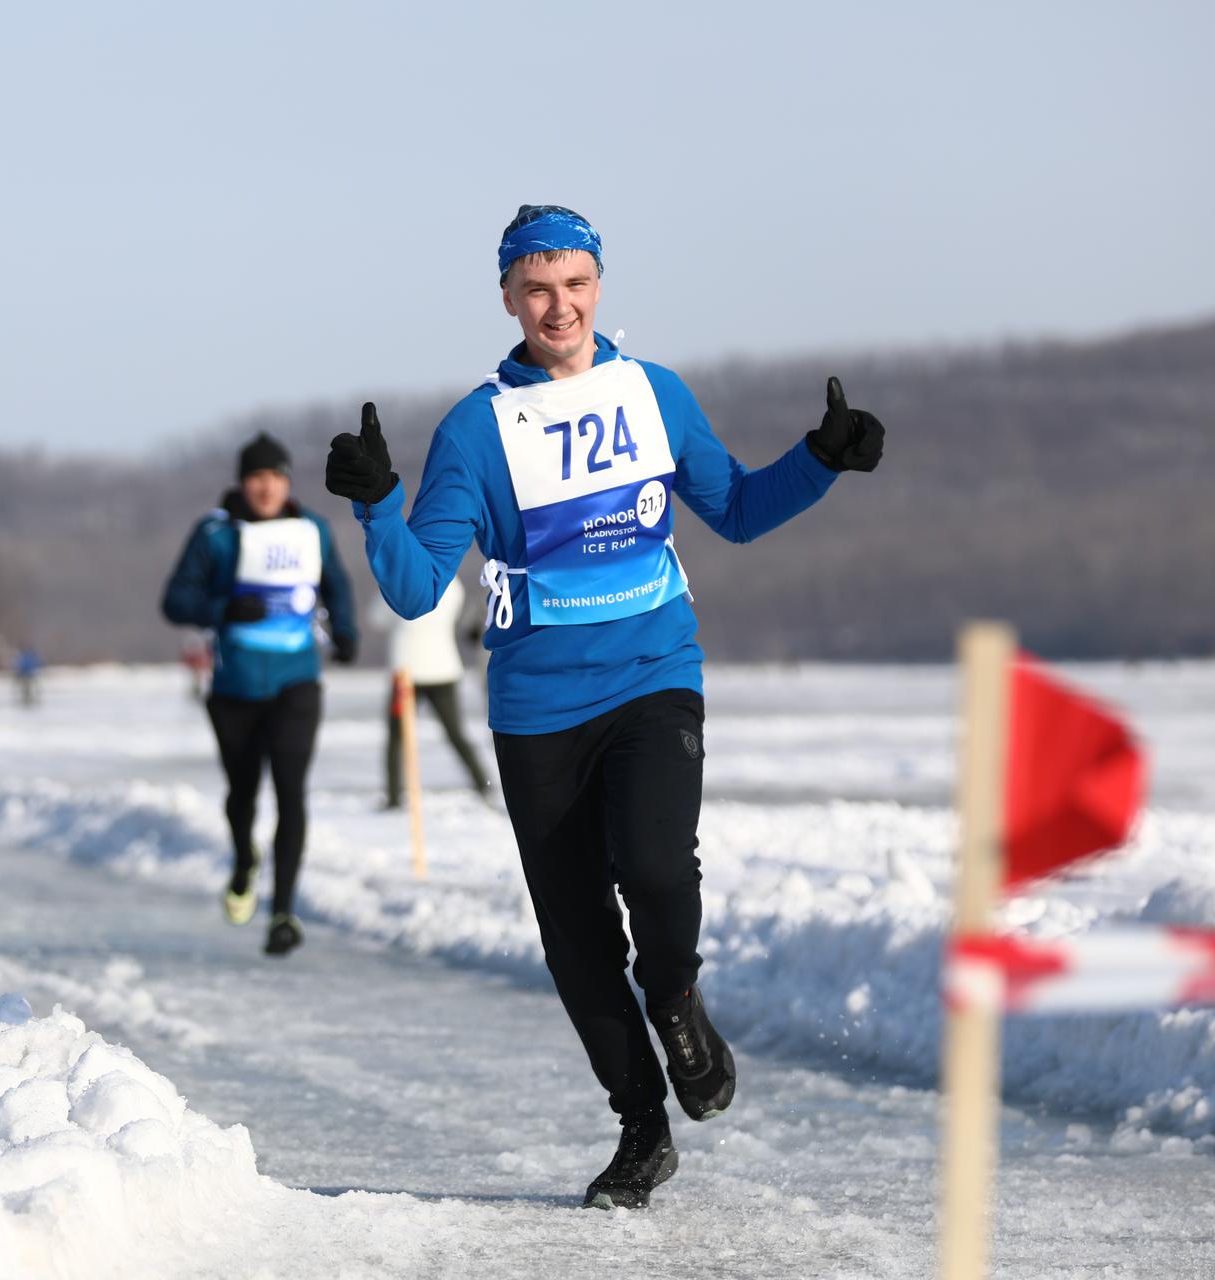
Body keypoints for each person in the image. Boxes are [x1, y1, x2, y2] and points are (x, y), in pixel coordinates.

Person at [324, 205, 885, 1209]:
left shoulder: (654, 394)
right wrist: (375, 503)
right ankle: (641, 1126)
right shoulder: (476, 429)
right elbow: (414, 589)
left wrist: (821, 458)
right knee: (578, 935)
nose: (560, 307)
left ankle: (675, 997)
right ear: (508, 296)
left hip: (653, 672)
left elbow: (736, 510)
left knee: (659, 868)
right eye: (538, 288)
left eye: (576, 284)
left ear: (598, 286)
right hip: (537, 705)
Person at [161, 432, 359, 957]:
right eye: (256, 477)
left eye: (275, 476)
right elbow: (175, 600)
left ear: (287, 481)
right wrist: (223, 608)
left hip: (297, 682)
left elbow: (337, 584)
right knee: (243, 792)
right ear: (242, 482)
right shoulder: (215, 533)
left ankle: (283, 912)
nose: (266, 487)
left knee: (291, 792)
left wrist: (346, 632)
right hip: (235, 686)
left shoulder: (311, 529)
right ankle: (245, 859)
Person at [376, 577, 493, 808]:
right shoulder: (452, 583)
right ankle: (481, 781)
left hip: (406, 670)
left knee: (397, 736)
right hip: (443, 666)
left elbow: (378, 616)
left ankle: (393, 794)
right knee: (455, 732)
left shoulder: (400, 579)